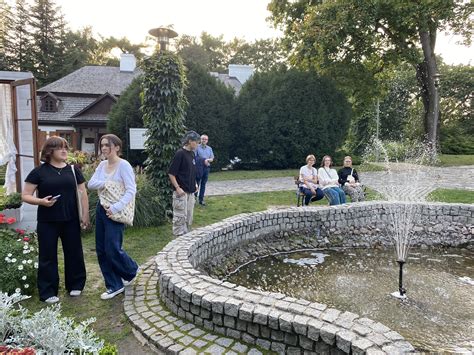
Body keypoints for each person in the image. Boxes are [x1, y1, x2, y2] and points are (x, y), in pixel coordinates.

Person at [22, 136, 88, 304]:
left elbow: (82, 193)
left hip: (71, 219)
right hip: (47, 221)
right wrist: (41, 201)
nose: (65, 150)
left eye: (66, 147)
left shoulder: (73, 170)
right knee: (47, 256)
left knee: (74, 253)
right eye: (60, 148)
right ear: (50, 151)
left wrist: (85, 215)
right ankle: (48, 291)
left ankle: (75, 285)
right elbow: (26, 195)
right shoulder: (39, 172)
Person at [88, 134, 139, 300]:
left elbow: (131, 190)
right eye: (102, 145)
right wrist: (106, 183)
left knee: (112, 248)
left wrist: (115, 208)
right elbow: (91, 184)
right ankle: (114, 285)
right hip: (101, 209)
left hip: (115, 211)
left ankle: (131, 270)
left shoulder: (123, 165)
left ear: (117, 147)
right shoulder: (102, 165)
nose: (103, 148)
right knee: (102, 249)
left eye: (107, 145)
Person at [168, 131, 200, 237]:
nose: (198, 144)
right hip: (181, 192)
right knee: (180, 218)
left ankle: (185, 239)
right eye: (197, 142)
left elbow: (192, 171)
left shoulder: (192, 154)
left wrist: (195, 184)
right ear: (190, 141)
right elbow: (171, 174)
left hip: (191, 192)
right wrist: (177, 188)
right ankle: (177, 242)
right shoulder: (180, 153)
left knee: (188, 217)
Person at [195, 134, 214, 206]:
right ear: (200, 139)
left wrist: (208, 160)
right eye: (203, 139)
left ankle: (201, 200)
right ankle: (194, 199)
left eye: (205, 139)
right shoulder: (196, 147)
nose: (204, 140)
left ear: (207, 141)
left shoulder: (209, 148)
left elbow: (212, 158)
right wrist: (203, 160)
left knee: (203, 184)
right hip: (199, 168)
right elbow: (195, 157)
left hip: (207, 168)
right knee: (197, 183)